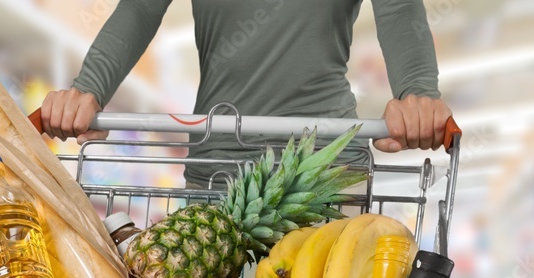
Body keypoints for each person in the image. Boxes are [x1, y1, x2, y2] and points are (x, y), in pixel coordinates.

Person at [39, 0, 453, 186]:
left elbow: (399, 10)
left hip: (326, 170)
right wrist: (88, 89)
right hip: (219, 169)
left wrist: (417, 92)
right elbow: (140, 8)